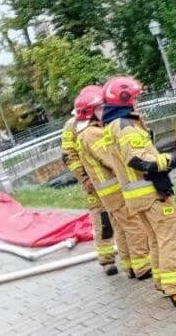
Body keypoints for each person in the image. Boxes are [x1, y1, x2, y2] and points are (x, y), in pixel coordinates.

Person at [101, 76, 176, 307]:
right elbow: (139, 160)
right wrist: (173, 160)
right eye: (134, 98)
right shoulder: (125, 127)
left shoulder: (112, 127)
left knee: (155, 238)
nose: (137, 102)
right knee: (170, 236)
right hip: (151, 194)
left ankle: (162, 281)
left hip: (136, 196)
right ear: (124, 99)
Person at [73, 85, 152, 280]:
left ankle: (129, 265)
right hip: (116, 190)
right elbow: (111, 159)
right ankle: (143, 266)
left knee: (122, 229)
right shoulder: (92, 134)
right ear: (91, 112)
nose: (105, 110)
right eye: (101, 108)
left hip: (109, 193)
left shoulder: (86, 134)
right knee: (134, 226)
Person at [61, 114, 118, 275]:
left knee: (124, 217)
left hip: (112, 177)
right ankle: (107, 260)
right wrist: (84, 178)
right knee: (103, 221)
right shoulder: (71, 126)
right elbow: (68, 156)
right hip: (93, 182)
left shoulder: (102, 116)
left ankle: (134, 256)